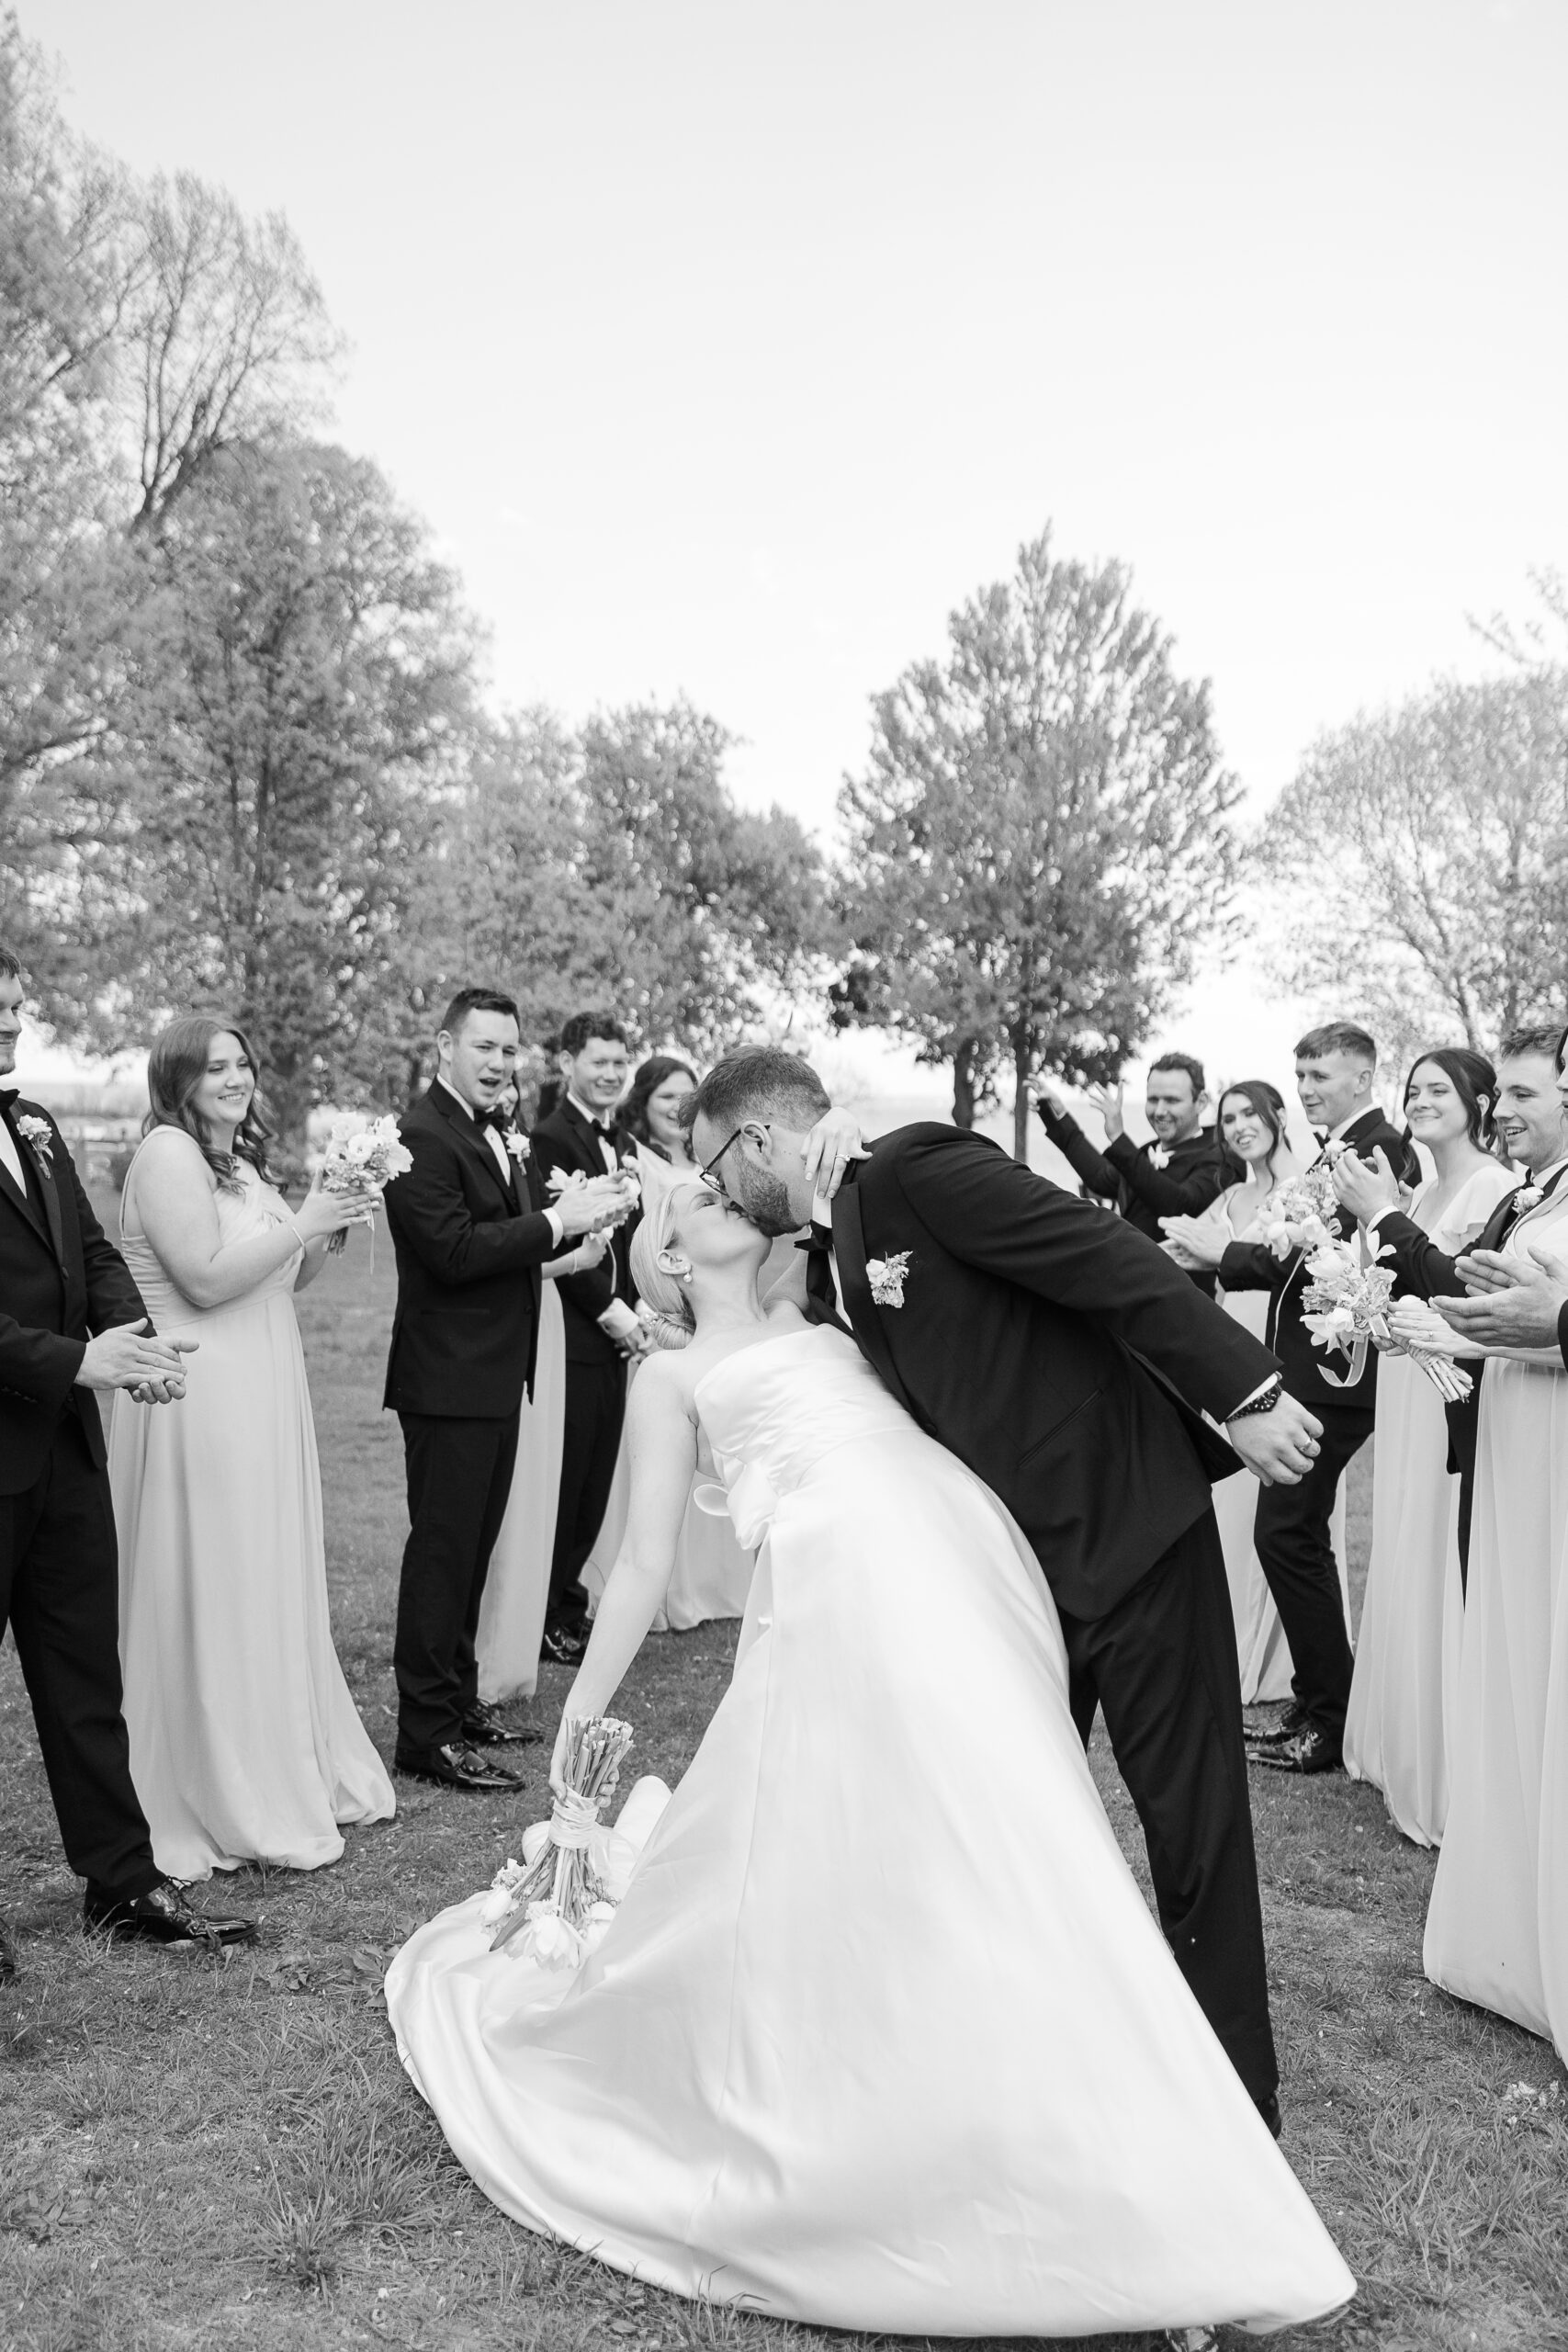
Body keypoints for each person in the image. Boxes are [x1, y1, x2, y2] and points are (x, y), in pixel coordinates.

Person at [385, 1176, 1354, 2337]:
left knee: (1016, 1843)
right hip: (848, 1604)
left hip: (973, 1577)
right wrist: (586, 1715)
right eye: (688, 1199)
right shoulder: (671, 1376)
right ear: (673, 1260)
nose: (713, 1194)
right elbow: (641, 1561)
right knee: (944, 1847)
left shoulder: (842, 1323)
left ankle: (1100, 2140)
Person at [694, 1048, 1325, 2121]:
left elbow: (1102, 1254)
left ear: (757, 1137)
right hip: (1015, 1570)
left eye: (712, 1167)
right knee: (1027, 1820)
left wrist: (1246, 1388)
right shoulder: (835, 1245)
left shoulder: (913, 1171)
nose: (712, 1191)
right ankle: (1048, 2055)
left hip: (1127, 1520)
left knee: (1192, 1818)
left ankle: (1231, 2097)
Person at [0, 950, 254, 1973]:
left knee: (83, 1679)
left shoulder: (39, 1125)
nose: (12, 1019)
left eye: (15, 1002)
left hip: (61, 1453)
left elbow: (92, 1256)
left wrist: (134, 1338)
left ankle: (124, 1882)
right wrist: (77, 1360)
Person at [110, 1017, 396, 1876]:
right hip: (200, 1392)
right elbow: (200, 1281)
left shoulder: (238, 1160)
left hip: (266, 1388)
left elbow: (281, 1273)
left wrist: (331, 1218)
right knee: (219, 1578)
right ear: (179, 1078)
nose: (235, 1078)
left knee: (264, 1574)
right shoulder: (168, 1155)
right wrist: (303, 1222)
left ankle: (275, 1761)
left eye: (242, 1064)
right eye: (215, 1067)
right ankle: (217, 1786)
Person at [383, 989, 631, 1792]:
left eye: (508, 1050)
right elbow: (455, 1252)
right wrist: (562, 1222)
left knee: (472, 1553)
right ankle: (424, 1735)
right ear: (445, 1046)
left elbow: (507, 1251)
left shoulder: (501, 1134)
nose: (498, 1063)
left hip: (496, 1373)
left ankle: (457, 1705)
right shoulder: (421, 1136)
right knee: (442, 1555)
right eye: (483, 1047)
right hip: (447, 1379)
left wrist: (573, 1238)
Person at [1414, 1024, 1568, 2061]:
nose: (1502, 1107)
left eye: (1521, 1090)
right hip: (1516, 1439)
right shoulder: (1539, 1196)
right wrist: (1435, 1326)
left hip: (1555, 1447)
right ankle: (1511, 1922)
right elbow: (1515, 1318)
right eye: (1500, 1091)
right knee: (1514, 1663)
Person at [1207, 1023, 1418, 1776]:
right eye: (1298, 1075)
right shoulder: (1339, 1150)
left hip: (1336, 1378)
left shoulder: (1377, 1153)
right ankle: (1317, 1698)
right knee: (1289, 1533)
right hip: (1307, 1372)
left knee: (1285, 1534)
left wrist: (1218, 1257)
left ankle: (1330, 1715)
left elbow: (1326, 1258)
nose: (1304, 1089)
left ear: (1362, 1076)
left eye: (1318, 1075)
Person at [1331, 1049, 1514, 1846]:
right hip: (1406, 1387)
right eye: (1413, 1089)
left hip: (1452, 1395)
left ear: (1479, 1102)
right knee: (1404, 1543)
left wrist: (1380, 1216)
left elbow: (1453, 1291)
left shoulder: (1485, 1188)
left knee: (1441, 1549)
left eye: (1439, 1088)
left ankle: (1444, 1765)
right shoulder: (1425, 1191)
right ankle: (1400, 1742)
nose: (1420, 1099)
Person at [1161, 1080, 1350, 1703]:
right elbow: (1198, 1260)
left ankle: (1276, 1667)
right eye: (1228, 1118)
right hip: (1220, 1354)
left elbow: (1306, 1272)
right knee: (1231, 1510)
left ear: (1275, 1117)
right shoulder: (1231, 1195)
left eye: (1249, 1113)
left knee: (1277, 1517)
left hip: (1275, 1357)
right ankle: (1231, 1650)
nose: (1239, 1125)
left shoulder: (1303, 1189)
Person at [473, 1087, 611, 1711]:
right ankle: (488, 1647)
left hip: (539, 1318)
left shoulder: (518, 1148)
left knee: (536, 1485)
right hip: (502, 1329)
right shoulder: (473, 1145)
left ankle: (516, 1637)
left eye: (511, 1070)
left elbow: (527, 1258)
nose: (503, 1084)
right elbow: (486, 1251)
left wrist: (576, 1258)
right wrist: (562, 1231)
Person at [529, 1014, 647, 1665]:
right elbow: (560, 1242)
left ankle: (566, 1607)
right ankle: (546, 1612)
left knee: (596, 1478)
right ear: (568, 1063)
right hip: (572, 1330)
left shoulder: (622, 1139)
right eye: (597, 1061)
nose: (609, 1073)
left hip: (613, 1333)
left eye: (618, 1061)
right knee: (567, 1477)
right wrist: (613, 1314)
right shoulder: (548, 1138)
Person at [1033, 1052, 1227, 1294]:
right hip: (1127, 1287)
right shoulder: (1147, 1152)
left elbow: (1180, 1205)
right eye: (1153, 1099)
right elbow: (1101, 1177)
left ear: (1201, 1101)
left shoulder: (1221, 1156)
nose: (1159, 1111)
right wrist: (1057, 1117)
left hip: (1180, 1297)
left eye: (1172, 1100)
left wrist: (1118, 1138)